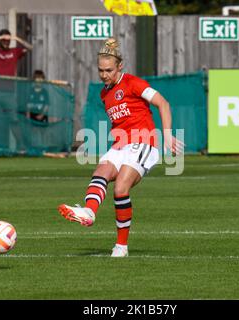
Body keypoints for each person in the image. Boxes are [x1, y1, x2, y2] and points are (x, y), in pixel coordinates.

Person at [57, 38, 183, 257]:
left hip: (144, 142)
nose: (104, 74)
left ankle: (121, 246)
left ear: (120, 66)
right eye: (100, 70)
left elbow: (163, 103)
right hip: (120, 144)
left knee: (120, 189)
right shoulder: (104, 93)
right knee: (100, 172)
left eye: (109, 70)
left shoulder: (134, 83)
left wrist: (168, 135)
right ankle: (89, 212)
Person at [0, 29, 33, 150]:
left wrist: (16, 39)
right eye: (4, 40)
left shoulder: (15, 52)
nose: (6, 42)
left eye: (8, 40)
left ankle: (21, 146)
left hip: (8, 92)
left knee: (13, 119)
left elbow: (30, 47)